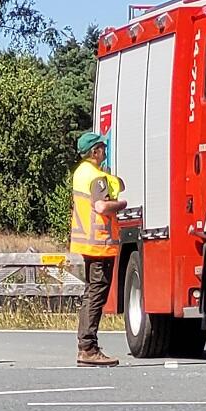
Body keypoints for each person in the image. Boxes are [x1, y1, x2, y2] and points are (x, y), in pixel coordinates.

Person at [70, 131, 127, 367]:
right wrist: (121, 204)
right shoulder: (96, 177)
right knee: (96, 295)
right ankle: (88, 348)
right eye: (102, 148)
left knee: (90, 293)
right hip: (99, 243)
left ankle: (86, 345)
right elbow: (102, 206)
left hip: (86, 242)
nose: (104, 152)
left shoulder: (80, 173)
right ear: (95, 152)